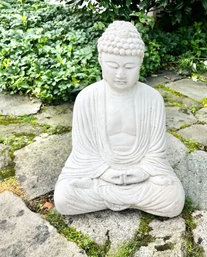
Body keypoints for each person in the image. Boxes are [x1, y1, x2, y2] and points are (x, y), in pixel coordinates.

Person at [54, 21, 185, 217]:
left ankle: (114, 198)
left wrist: (142, 172)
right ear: (101, 60)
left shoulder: (152, 99)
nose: (120, 74)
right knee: (64, 198)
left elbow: (156, 153)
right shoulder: (87, 98)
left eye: (129, 67)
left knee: (173, 199)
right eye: (113, 65)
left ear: (140, 63)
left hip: (141, 173)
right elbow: (83, 152)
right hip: (99, 173)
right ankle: (130, 199)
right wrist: (104, 172)